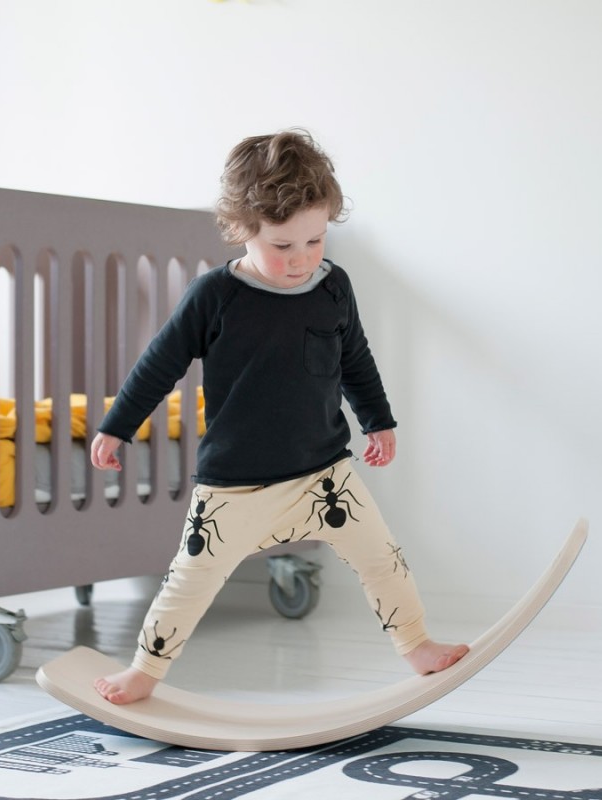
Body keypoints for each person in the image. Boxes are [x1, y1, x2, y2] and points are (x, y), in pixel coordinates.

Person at [91, 129, 469, 704]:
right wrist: (118, 425)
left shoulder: (333, 288)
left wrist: (379, 420)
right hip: (234, 486)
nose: (300, 260)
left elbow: (356, 360)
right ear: (243, 230)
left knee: (382, 558)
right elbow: (158, 365)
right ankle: (144, 671)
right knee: (188, 584)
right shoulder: (214, 296)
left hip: (324, 475)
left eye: (314, 240)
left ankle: (415, 643)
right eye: (282, 246)